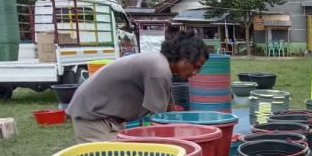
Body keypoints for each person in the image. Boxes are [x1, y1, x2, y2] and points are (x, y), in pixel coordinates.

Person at [67, 31, 208, 143]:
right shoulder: (159, 70)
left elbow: (168, 108)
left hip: (109, 117)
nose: (195, 72)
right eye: (196, 66)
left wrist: (180, 127)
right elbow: (160, 120)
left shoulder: (160, 65)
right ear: (183, 58)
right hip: (94, 117)